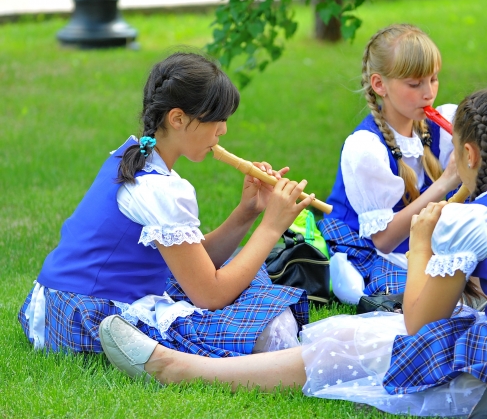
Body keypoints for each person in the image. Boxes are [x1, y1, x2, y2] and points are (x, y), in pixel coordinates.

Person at [97, 87, 487, 417]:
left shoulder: (472, 218)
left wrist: (424, 243)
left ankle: (181, 369)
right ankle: (195, 364)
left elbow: (417, 328)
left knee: (358, 340)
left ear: (468, 153)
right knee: (356, 332)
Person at [18, 52, 315, 357]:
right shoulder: (161, 188)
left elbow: (196, 262)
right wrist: (271, 226)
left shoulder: (133, 153)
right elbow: (209, 294)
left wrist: (247, 213)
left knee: (244, 269)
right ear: (177, 119)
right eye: (217, 118)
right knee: (262, 313)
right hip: (91, 317)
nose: (223, 130)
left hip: (62, 304)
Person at [317, 23, 462, 302]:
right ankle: (344, 272)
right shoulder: (365, 147)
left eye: (433, 79)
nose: (429, 92)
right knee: (418, 294)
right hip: (371, 243)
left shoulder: (441, 127)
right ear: (379, 84)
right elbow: (383, 239)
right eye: (414, 83)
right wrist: (446, 182)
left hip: (417, 242)